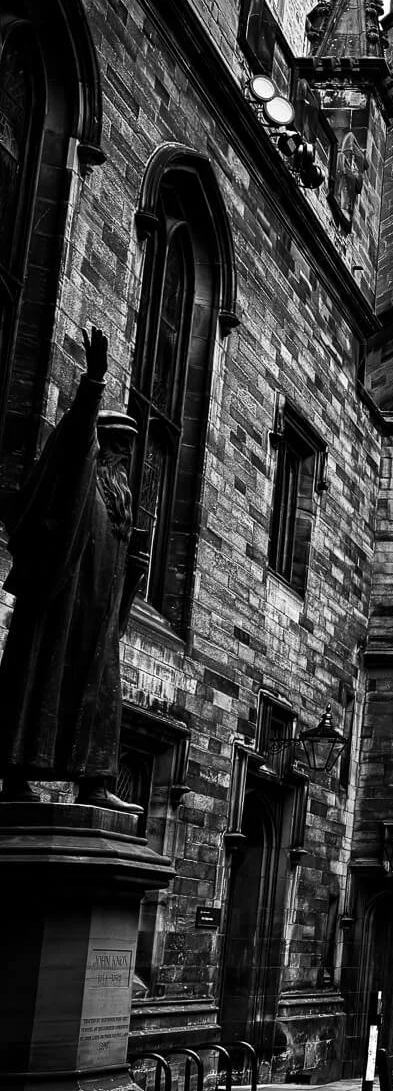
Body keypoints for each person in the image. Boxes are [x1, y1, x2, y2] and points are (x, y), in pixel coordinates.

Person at [0, 327, 147, 805]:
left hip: (99, 616)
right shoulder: (80, 476)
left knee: (101, 693)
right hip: (62, 604)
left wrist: (132, 577)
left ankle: (95, 783)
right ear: (99, 446)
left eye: (129, 451)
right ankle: (16, 776)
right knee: (38, 680)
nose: (124, 459)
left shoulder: (118, 501)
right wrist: (93, 385)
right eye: (117, 447)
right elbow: (77, 438)